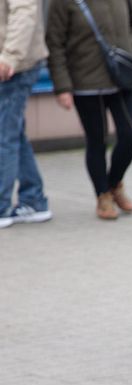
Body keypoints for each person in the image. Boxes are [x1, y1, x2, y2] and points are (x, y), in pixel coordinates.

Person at [45, 0, 132, 221]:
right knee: (97, 140)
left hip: (122, 76)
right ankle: (103, 195)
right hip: (86, 83)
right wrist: (62, 86)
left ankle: (114, 183)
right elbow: (55, 43)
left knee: (131, 134)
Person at [0, 0, 51, 228]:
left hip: (14, 68)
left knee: (4, 136)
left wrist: (9, 56)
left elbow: (24, 11)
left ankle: (2, 207)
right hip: (12, 64)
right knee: (13, 133)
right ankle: (34, 199)